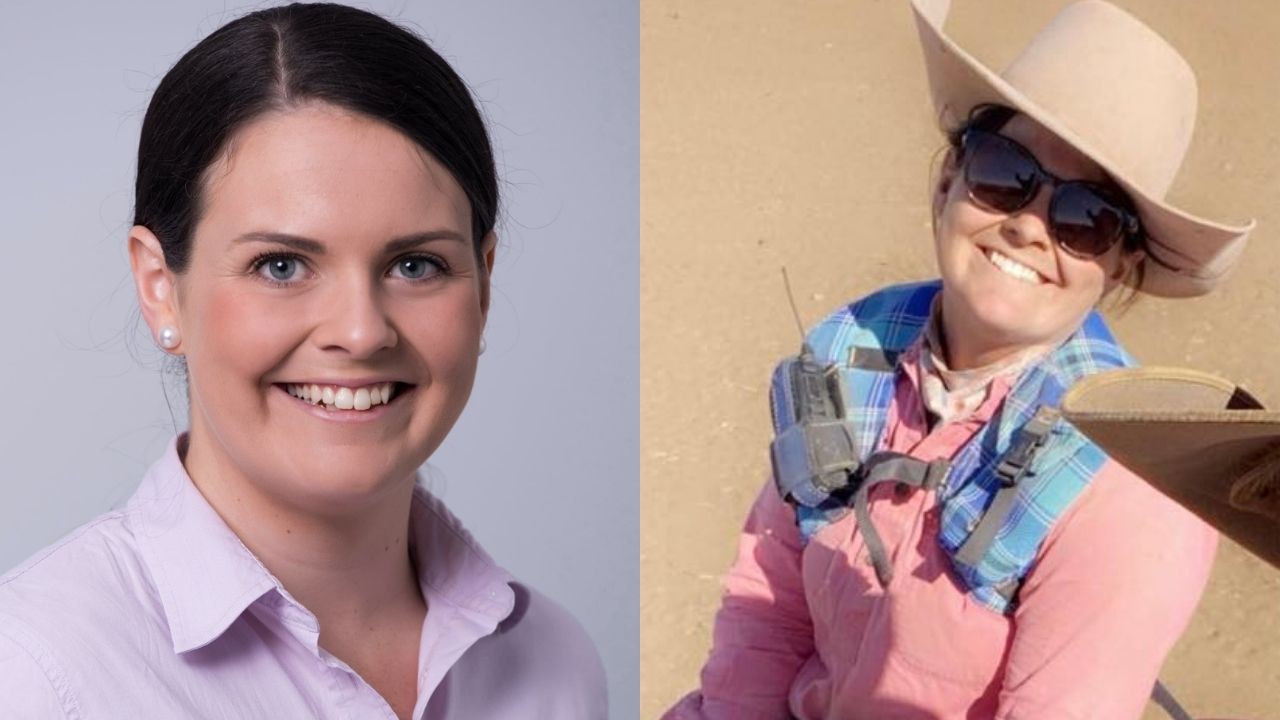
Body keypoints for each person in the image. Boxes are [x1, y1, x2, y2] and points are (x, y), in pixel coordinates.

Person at [0, 4, 606, 719]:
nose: (360, 331)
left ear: (484, 280)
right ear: (160, 288)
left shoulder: (554, 661)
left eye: (416, 264)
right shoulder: (38, 673)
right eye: (281, 265)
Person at [665, 1, 1254, 718]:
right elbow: (769, 602)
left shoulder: (1128, 487)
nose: (1029, 227)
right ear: (949, 180)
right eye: (1005, 174)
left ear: (1120, 265)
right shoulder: (848, 361)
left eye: (1086, 219)